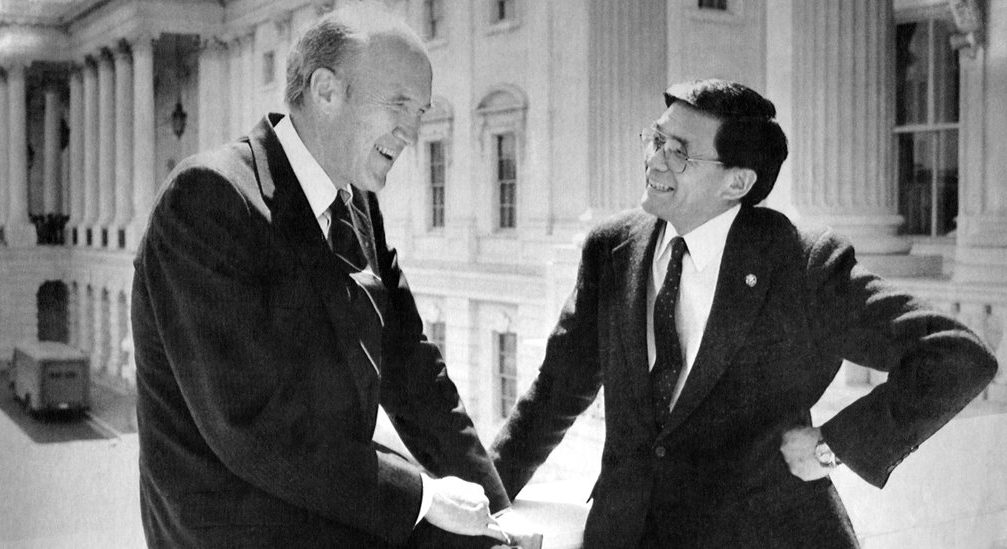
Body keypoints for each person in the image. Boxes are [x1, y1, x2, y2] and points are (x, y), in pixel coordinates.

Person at [489, 79, 998, 548]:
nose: (655, 162)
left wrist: (833, 445)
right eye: (656, 140)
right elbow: (556, 391)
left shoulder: (802, 265)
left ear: (736, 183)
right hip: (627, 534)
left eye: (679, 152)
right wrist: (482, 497)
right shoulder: (611, 248)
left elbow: (955, 355)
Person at [131, 5, 513, 548]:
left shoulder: (358, 205)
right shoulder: (207, 198)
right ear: (326, 90)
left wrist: (498, 513)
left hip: (324, 506)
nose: (412, 131)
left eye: (421, 111)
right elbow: (251, 425)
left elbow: (413, 372)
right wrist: (425, 495)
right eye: (399, 104)